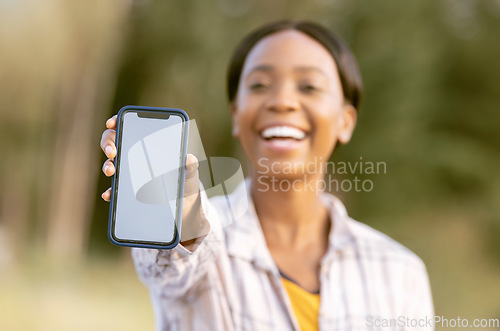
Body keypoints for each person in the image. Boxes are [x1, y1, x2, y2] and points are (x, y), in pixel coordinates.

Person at [100, 20, 434, 331]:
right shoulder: (203, 239)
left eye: (309, 86)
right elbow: (170, 267)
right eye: (259, 84)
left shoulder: (400, 274)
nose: (282, 100)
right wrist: (182, 221)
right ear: (236, 115)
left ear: (345, 120)